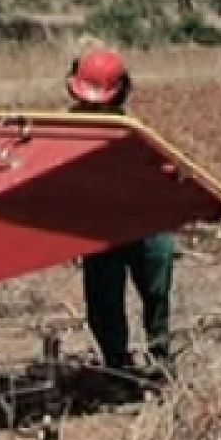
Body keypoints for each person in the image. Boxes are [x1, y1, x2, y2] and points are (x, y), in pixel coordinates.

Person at [65, 48, 178, 381]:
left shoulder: (133, 131)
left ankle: (160, 355)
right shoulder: (64, 131)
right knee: (104, 297)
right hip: (98, 226)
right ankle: (117, 366)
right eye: (90, 104)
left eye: (103, 104)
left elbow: (161, 171)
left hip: (142, 221)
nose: (96, 110)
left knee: (158, 272)